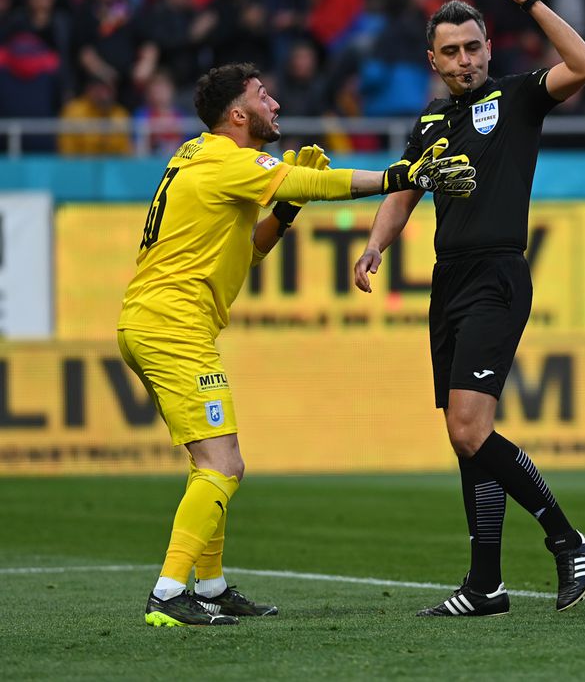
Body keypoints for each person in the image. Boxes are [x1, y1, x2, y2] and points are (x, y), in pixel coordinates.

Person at [122, 62, 474, 627]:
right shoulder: (226, 160)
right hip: (172, 326)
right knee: (223, 465)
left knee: (211, 463)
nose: (275, 104)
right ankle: (167, 594)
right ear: (238, 115)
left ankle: (209, 586)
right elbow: (316, 182)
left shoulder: (199, 158)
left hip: (157, 321)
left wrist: (285, 209)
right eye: (263, 95)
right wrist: (404, 176)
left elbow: (248, 251)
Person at [352, 0, 585, 618]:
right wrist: (376, 244)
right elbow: (404, 189)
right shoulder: (431, 122)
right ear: (432, 59)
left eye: (473, 47)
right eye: (451, 51)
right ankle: (486, 584)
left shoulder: (518, 97)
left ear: (489, 47)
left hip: (497, 275)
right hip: (449, 282)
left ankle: (568, 538)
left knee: (469, 428)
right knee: (467, 437)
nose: (464, 60)